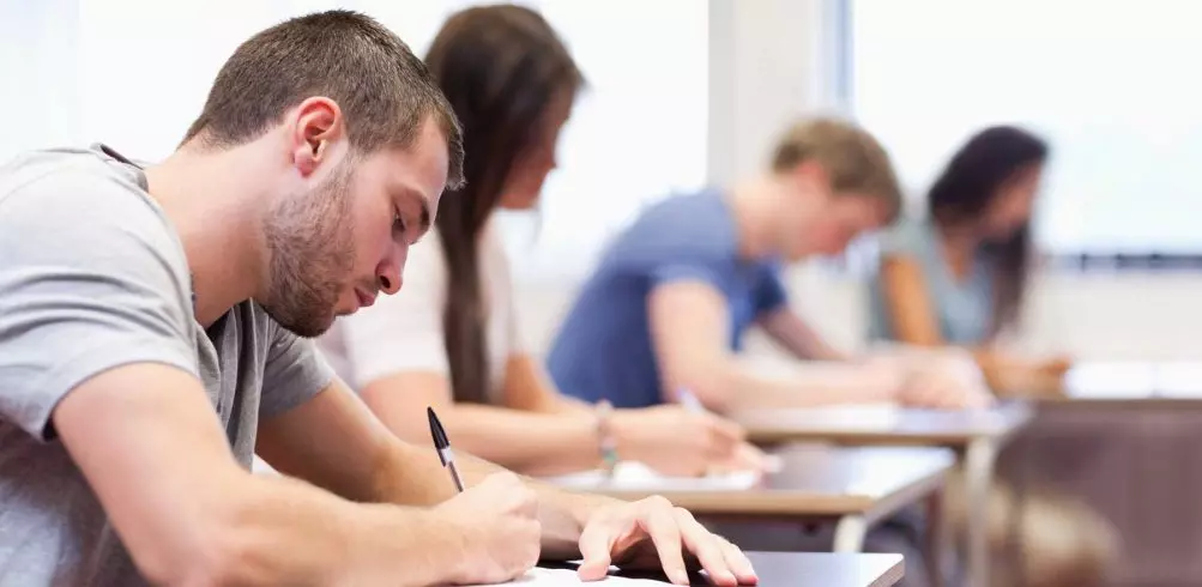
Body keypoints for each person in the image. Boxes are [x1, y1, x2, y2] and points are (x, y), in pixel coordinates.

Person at [0, 11, 755, 587]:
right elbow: (210, 534)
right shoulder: (82, 223)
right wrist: (461, 540)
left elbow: (391, 473)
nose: (394, 274)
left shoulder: (247, 308)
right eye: (397, 220)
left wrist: (607, 519)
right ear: (316, 137)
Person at [321, 4, 763, 479]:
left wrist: (668, 440)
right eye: (548, 136)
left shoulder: (482, 240)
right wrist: (623, 437)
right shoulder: (406, 243)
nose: (555, 162)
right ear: (499, 132)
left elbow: (531, 401)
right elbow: (418, 428)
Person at [546, 117, 991, 413]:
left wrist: (933, 367)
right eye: (846, 230)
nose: (838, 252)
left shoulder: (756, 262)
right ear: (811, 181)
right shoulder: (696, 230)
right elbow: (700, 382)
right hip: (587, 462)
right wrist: (885, 386)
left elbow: (828, 357)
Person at [868, 125, 1071, 398]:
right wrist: (1014, 367)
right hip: (904, 401)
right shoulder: (905, 242)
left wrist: (1025, 370)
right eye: (1024, 191)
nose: (1026, 210)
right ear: (990, 180)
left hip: (960, 402)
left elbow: (979, 355)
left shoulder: (988, 260)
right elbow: (925, 351)